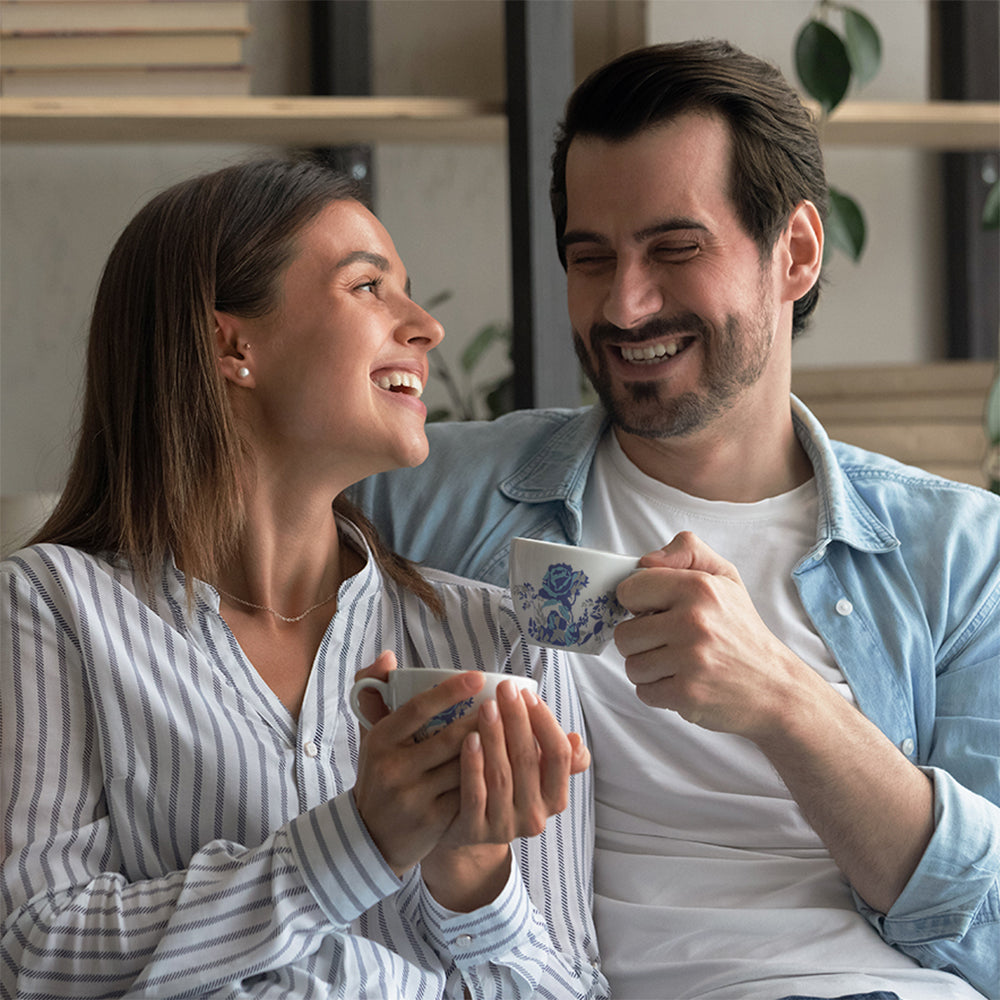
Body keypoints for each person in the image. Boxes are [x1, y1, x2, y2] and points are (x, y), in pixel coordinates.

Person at [351, 40, 1000, 1000]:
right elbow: (189, 511)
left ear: (798, 252)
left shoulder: (957, 553)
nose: (625, 304)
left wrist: (782, 698)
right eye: (591, 258)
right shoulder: (426, 490)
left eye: (675, 249)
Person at [0, 157, 610, 999]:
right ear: (233, 345)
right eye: (368, 288)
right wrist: (358, 840)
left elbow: (573, 989)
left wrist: (473, 878)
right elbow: (37, 953)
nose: (426, 326)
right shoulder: (52, 608)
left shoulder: (503, 641)